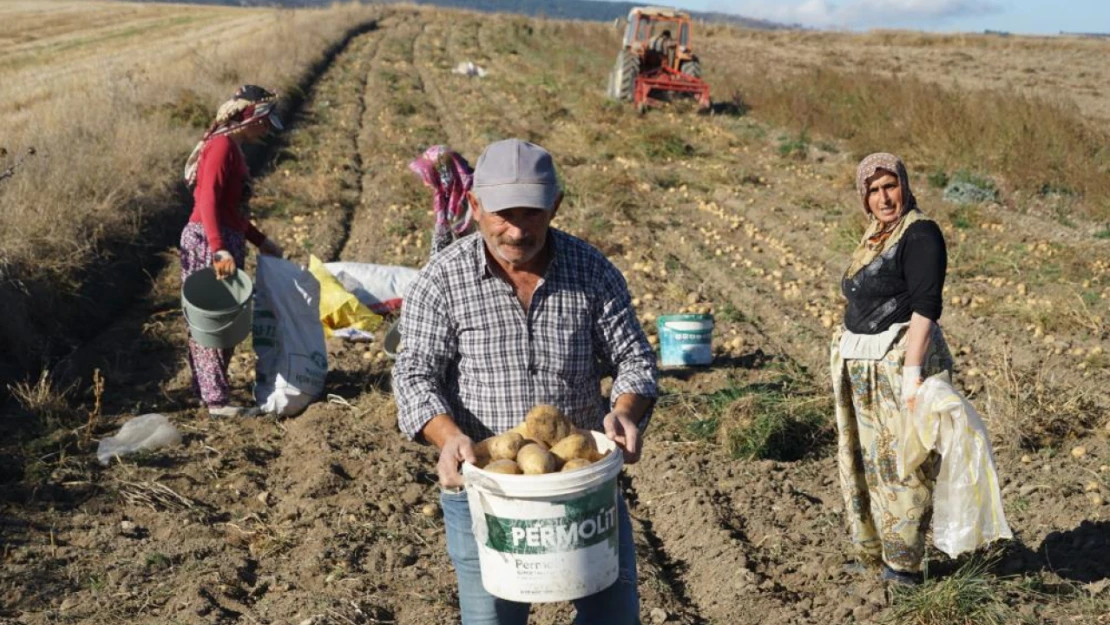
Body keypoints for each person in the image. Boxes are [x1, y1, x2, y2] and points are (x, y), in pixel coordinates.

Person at [393, 139, 657, 624]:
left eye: (531, 214)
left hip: (578, 489)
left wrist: (624, 411)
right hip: (487, 490)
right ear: (474, 206)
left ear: (555, 206)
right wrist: (448, 437)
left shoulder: (592, 271)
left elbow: (635, 358)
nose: (516, 230)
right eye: (502, 214)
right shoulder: (442, 279)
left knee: (613, 618)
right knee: (492, 620)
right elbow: (413, 374)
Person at [830, 152, 954, 585]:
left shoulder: (920, 234)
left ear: (905, 185)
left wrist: (912, 375)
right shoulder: (877, 234)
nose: (884, 197)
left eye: (890, 186)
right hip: (863, 368)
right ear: (864, 196)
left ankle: (904, 567)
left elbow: (925, 310)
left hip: (899, 364)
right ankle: (874, 554)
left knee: (903, 467)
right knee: (865, 464)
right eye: (874, 189)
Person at [181, 85, 285, 418]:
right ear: (250, 115)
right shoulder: (222, 146)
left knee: (225, 317)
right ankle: (216, 401)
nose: (267, 129)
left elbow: (232, 210)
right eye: (265, 121)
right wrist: (218, 249)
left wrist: (260, 240)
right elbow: (207, 201)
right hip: (209, 243)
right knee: (215, 318)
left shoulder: (233, 148)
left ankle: (209, 390)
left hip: (224, 239)